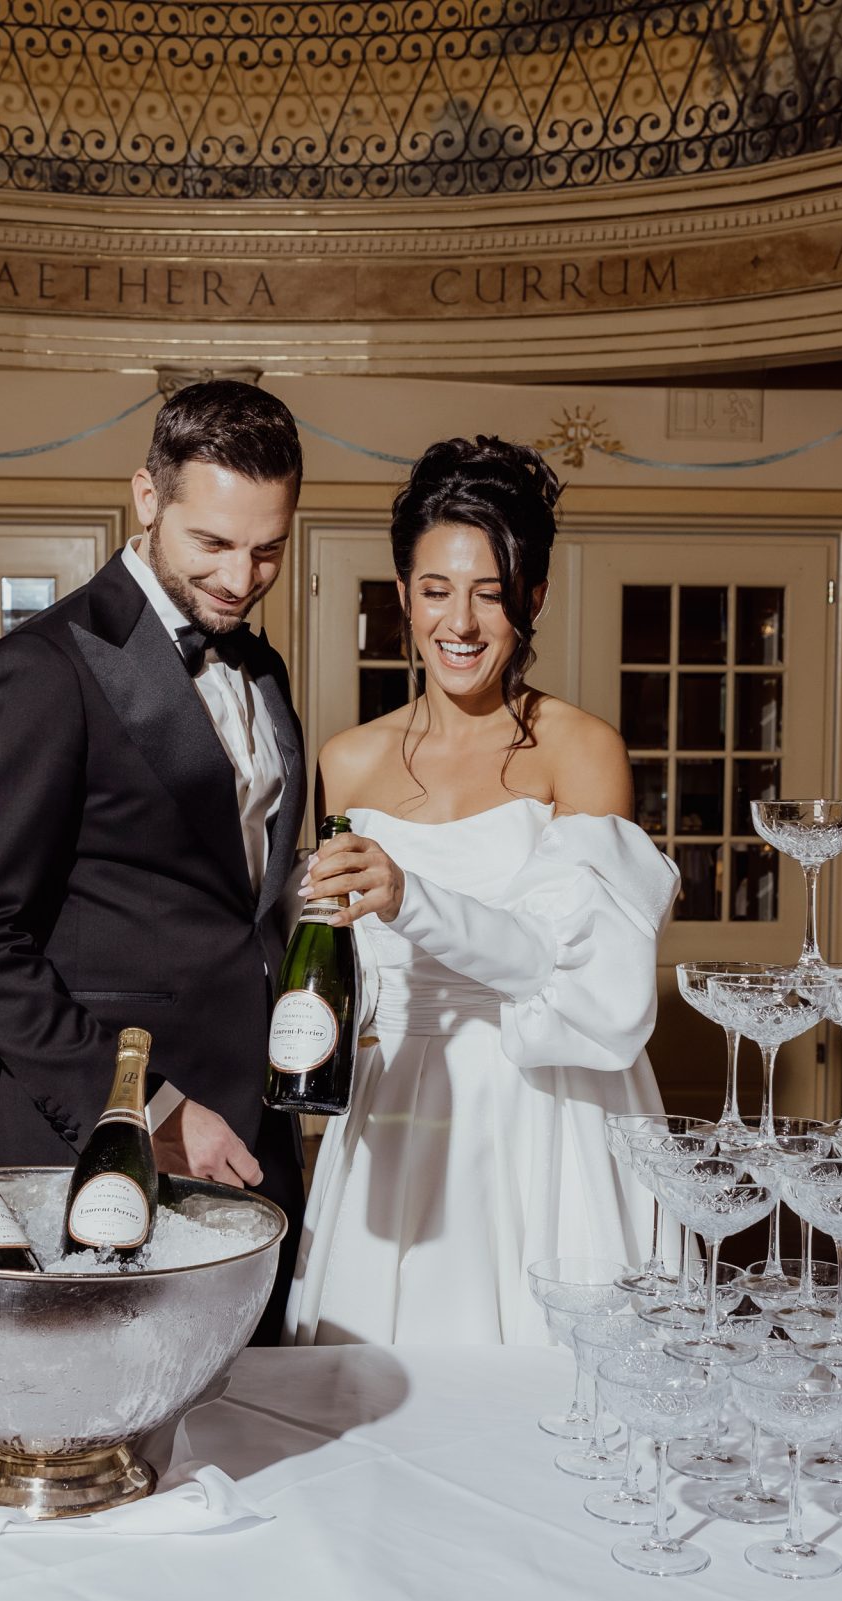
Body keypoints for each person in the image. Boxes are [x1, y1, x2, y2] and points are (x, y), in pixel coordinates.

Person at [0, 380, 308, 1344]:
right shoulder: (45, 668)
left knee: (247, 1433)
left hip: (253, 1134)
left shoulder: (260, 669)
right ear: (146, 497)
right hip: (99, 1145)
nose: (241, 576)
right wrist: (153, 1110)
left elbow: (222, 893)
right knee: (88, 1428)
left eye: (269, 547)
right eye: (213, 545)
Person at [284, 436, 677, 1346]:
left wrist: (408, 895)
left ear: (531, 598)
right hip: (397, 1112)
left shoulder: (580, 749)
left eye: (490, 591)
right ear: (402, 596)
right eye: (435, 589)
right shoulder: (347, 760)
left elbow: (570, 973)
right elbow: (348, 973)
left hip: (549, 1109)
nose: (459, 621)